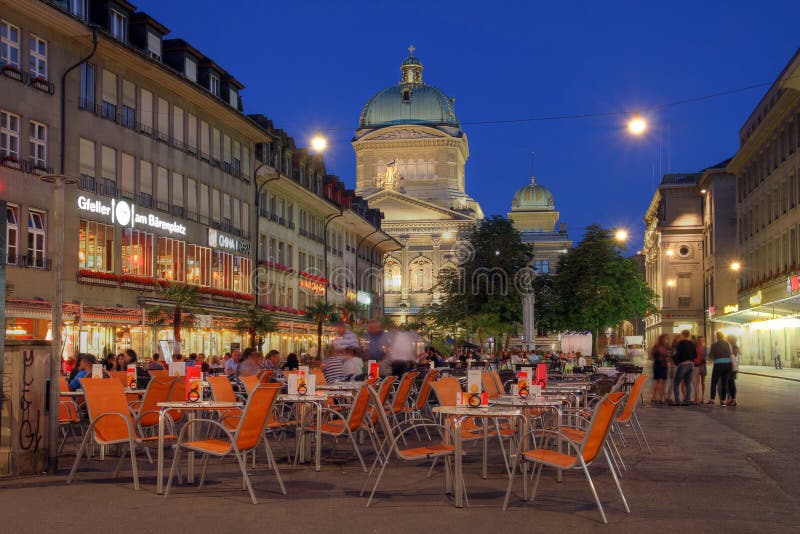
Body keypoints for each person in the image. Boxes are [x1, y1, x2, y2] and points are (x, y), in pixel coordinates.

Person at [708, 331, 733, 406]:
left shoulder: (714, 345)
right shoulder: (727, 344)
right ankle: (723, 401)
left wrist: (711, 359)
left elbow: (711, 356)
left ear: (716, 337)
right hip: (727, 364)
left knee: (714, 382)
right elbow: (729, 353)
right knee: (724, 383)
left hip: (718, 364)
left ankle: (712, 399)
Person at [671, 330, 695, 406]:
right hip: (691, 364)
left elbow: (677, 354)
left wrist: (675, 360)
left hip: (683, 364)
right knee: (688, 383)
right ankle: (687, 401)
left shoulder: (680, 343)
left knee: (676, 383)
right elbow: (695, 355)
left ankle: (677, 401)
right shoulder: (692, 343)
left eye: (681, 334)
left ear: (683, 335)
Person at [650, 334, 669, 404]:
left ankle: (654, 396)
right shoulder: (658, 346)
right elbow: (654, 355)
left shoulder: (664, 346)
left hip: (663, 365)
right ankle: (660, 398)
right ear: (662, 339)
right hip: (659, 365)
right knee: (660, 382)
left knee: (660, 382)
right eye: (666, 338)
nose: (667, 340)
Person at [692, 335, 707, 404]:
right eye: (700, 340)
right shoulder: (695, 348)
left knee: (703, 382)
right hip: (696, 366)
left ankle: (702, 397)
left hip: (703, 366)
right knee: (696, 383)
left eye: (702, 340)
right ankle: (696, 397)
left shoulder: (705, 348)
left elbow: (707, 357)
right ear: (698, 341)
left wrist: (704, 359)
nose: (701, 341)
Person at [726, 335, 740, 407]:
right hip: (734, 366)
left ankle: (730, 399)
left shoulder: (729, 346)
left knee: (728, 383)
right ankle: (733, 399)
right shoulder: (736, 347)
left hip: (729, 366)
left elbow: (728, 355)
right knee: (732, 383)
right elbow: (737, 354)